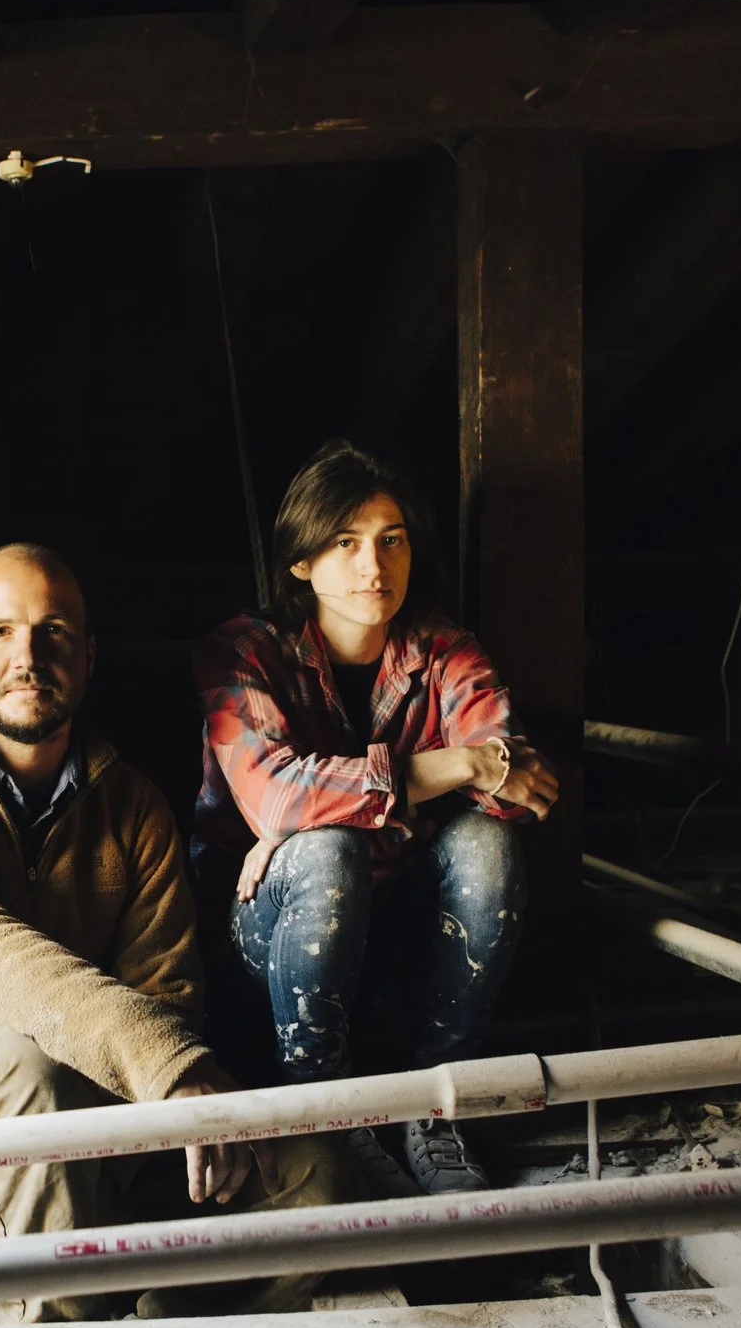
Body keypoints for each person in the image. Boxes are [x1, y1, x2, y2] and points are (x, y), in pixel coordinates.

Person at [0, 542, 348, 1322]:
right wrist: (167, 1068)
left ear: (89, 653)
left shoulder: (135, 808)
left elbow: (167, 995)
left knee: (312, 1177)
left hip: (94, 1104)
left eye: (54, 632)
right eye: (0, 632)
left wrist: (164, 1075)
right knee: (23, 1068)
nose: (28, 655)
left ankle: (162, 1326)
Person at [194, 439, 559, 1196]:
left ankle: (435, 1106)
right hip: (267, 940)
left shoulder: (444, 650)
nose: (374, 567)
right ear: (302, 560)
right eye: (346, 543)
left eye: (390, 541)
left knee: (485, 845)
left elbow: (516, 792)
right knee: (324, 852)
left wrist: (326, 805)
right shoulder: (245, 653)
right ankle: (328, 1117)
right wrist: (451, 767)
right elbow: (277, 796)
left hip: (399, 931)